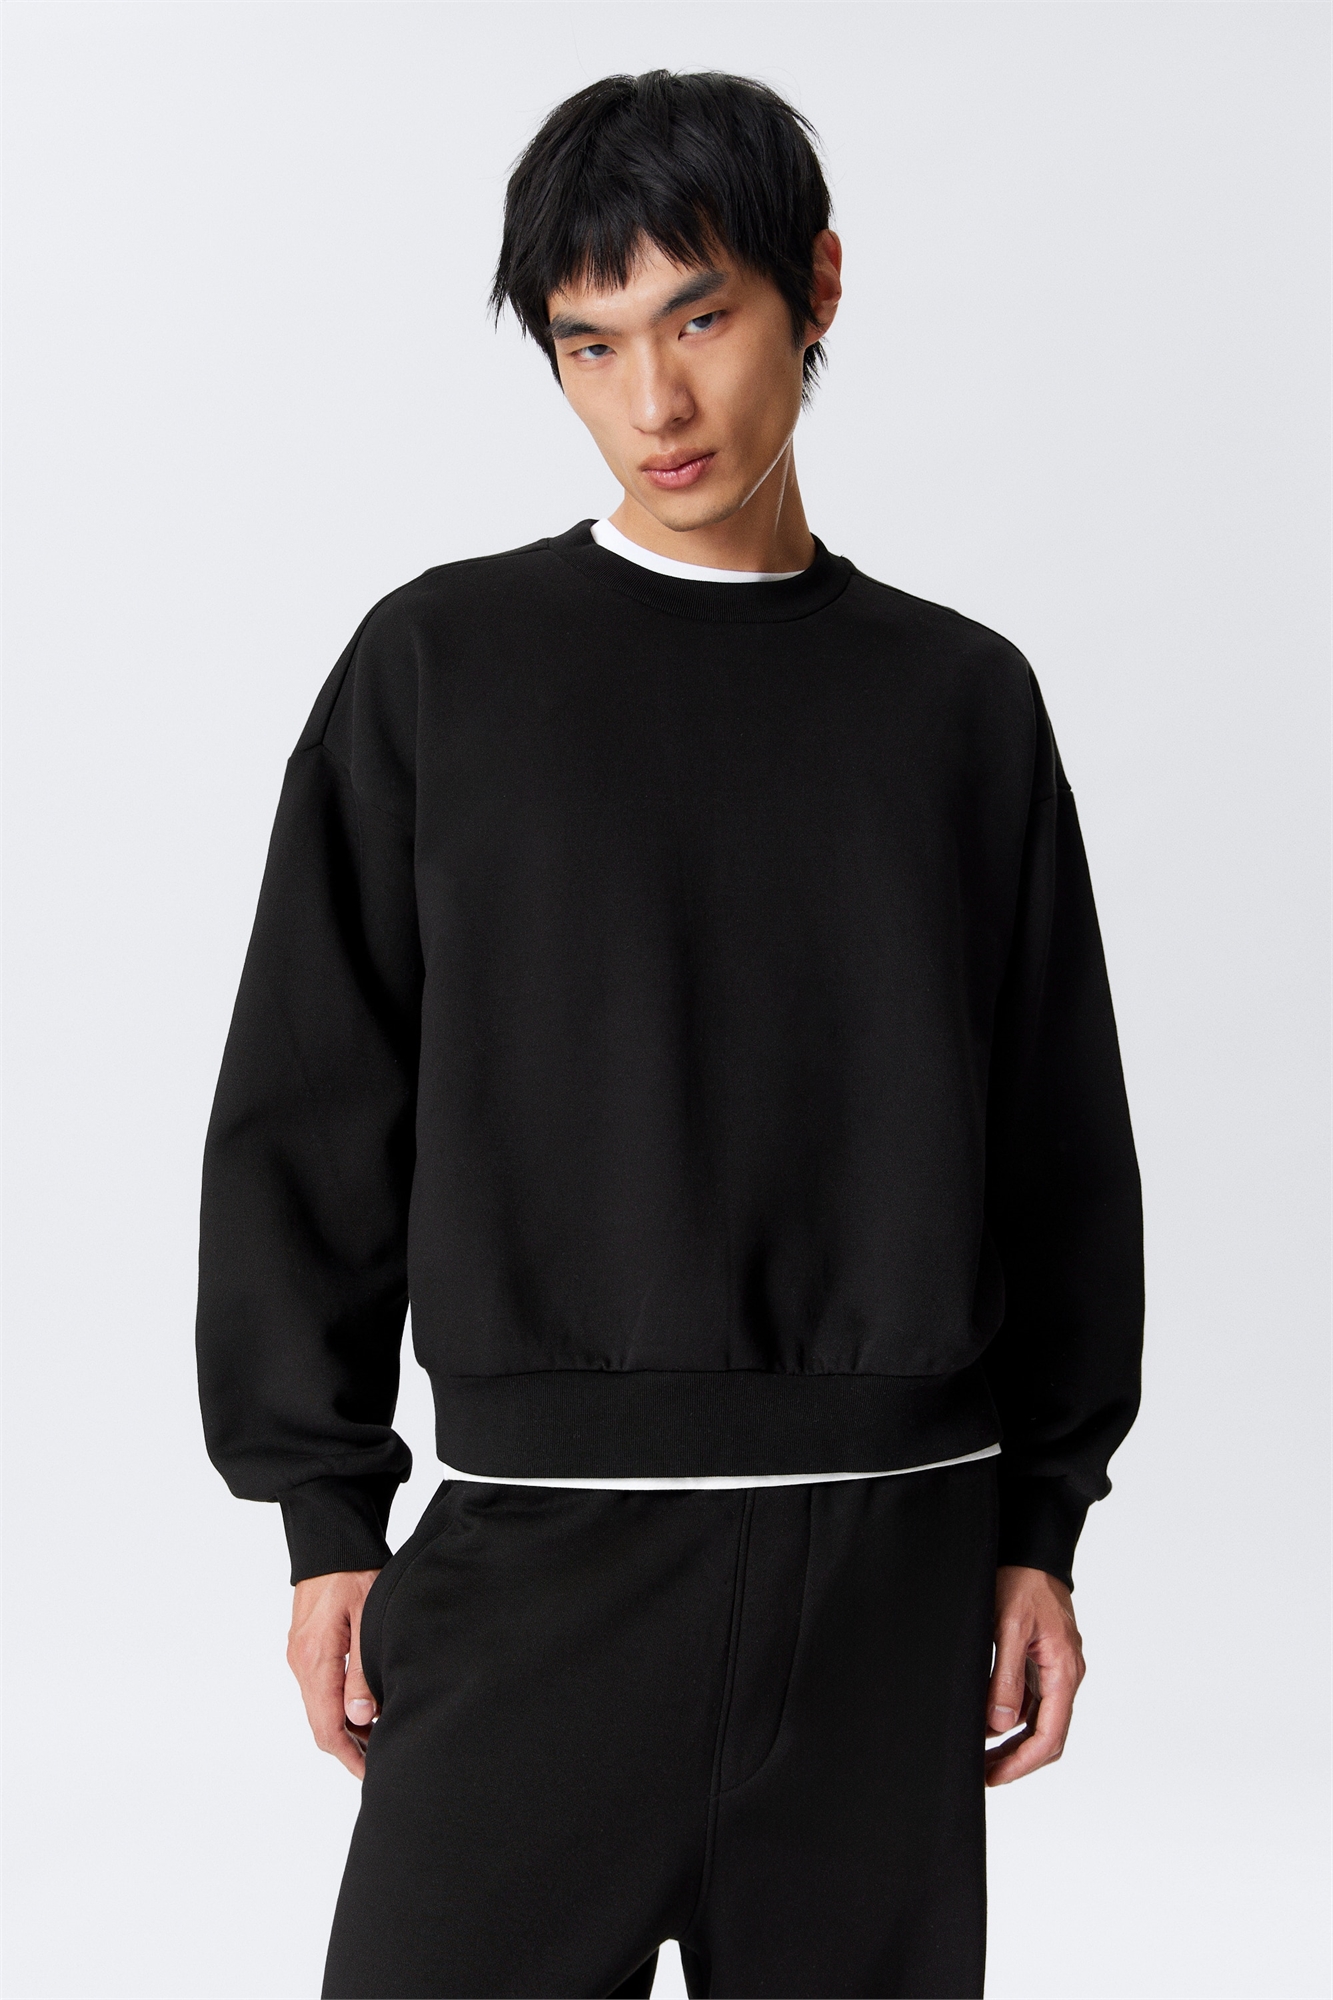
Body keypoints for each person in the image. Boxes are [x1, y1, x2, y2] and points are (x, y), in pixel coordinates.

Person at [196, 68, 1143, 2000]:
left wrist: (1040, 1520)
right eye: (589, 343)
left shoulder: (958, 701)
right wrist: (322, 1513)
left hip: (890, 1574)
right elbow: (311, 1102)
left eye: (699, 318)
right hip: (537, 1562)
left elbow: (1059, 1138)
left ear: (816, 287)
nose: (654, 401)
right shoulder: (440, 667)